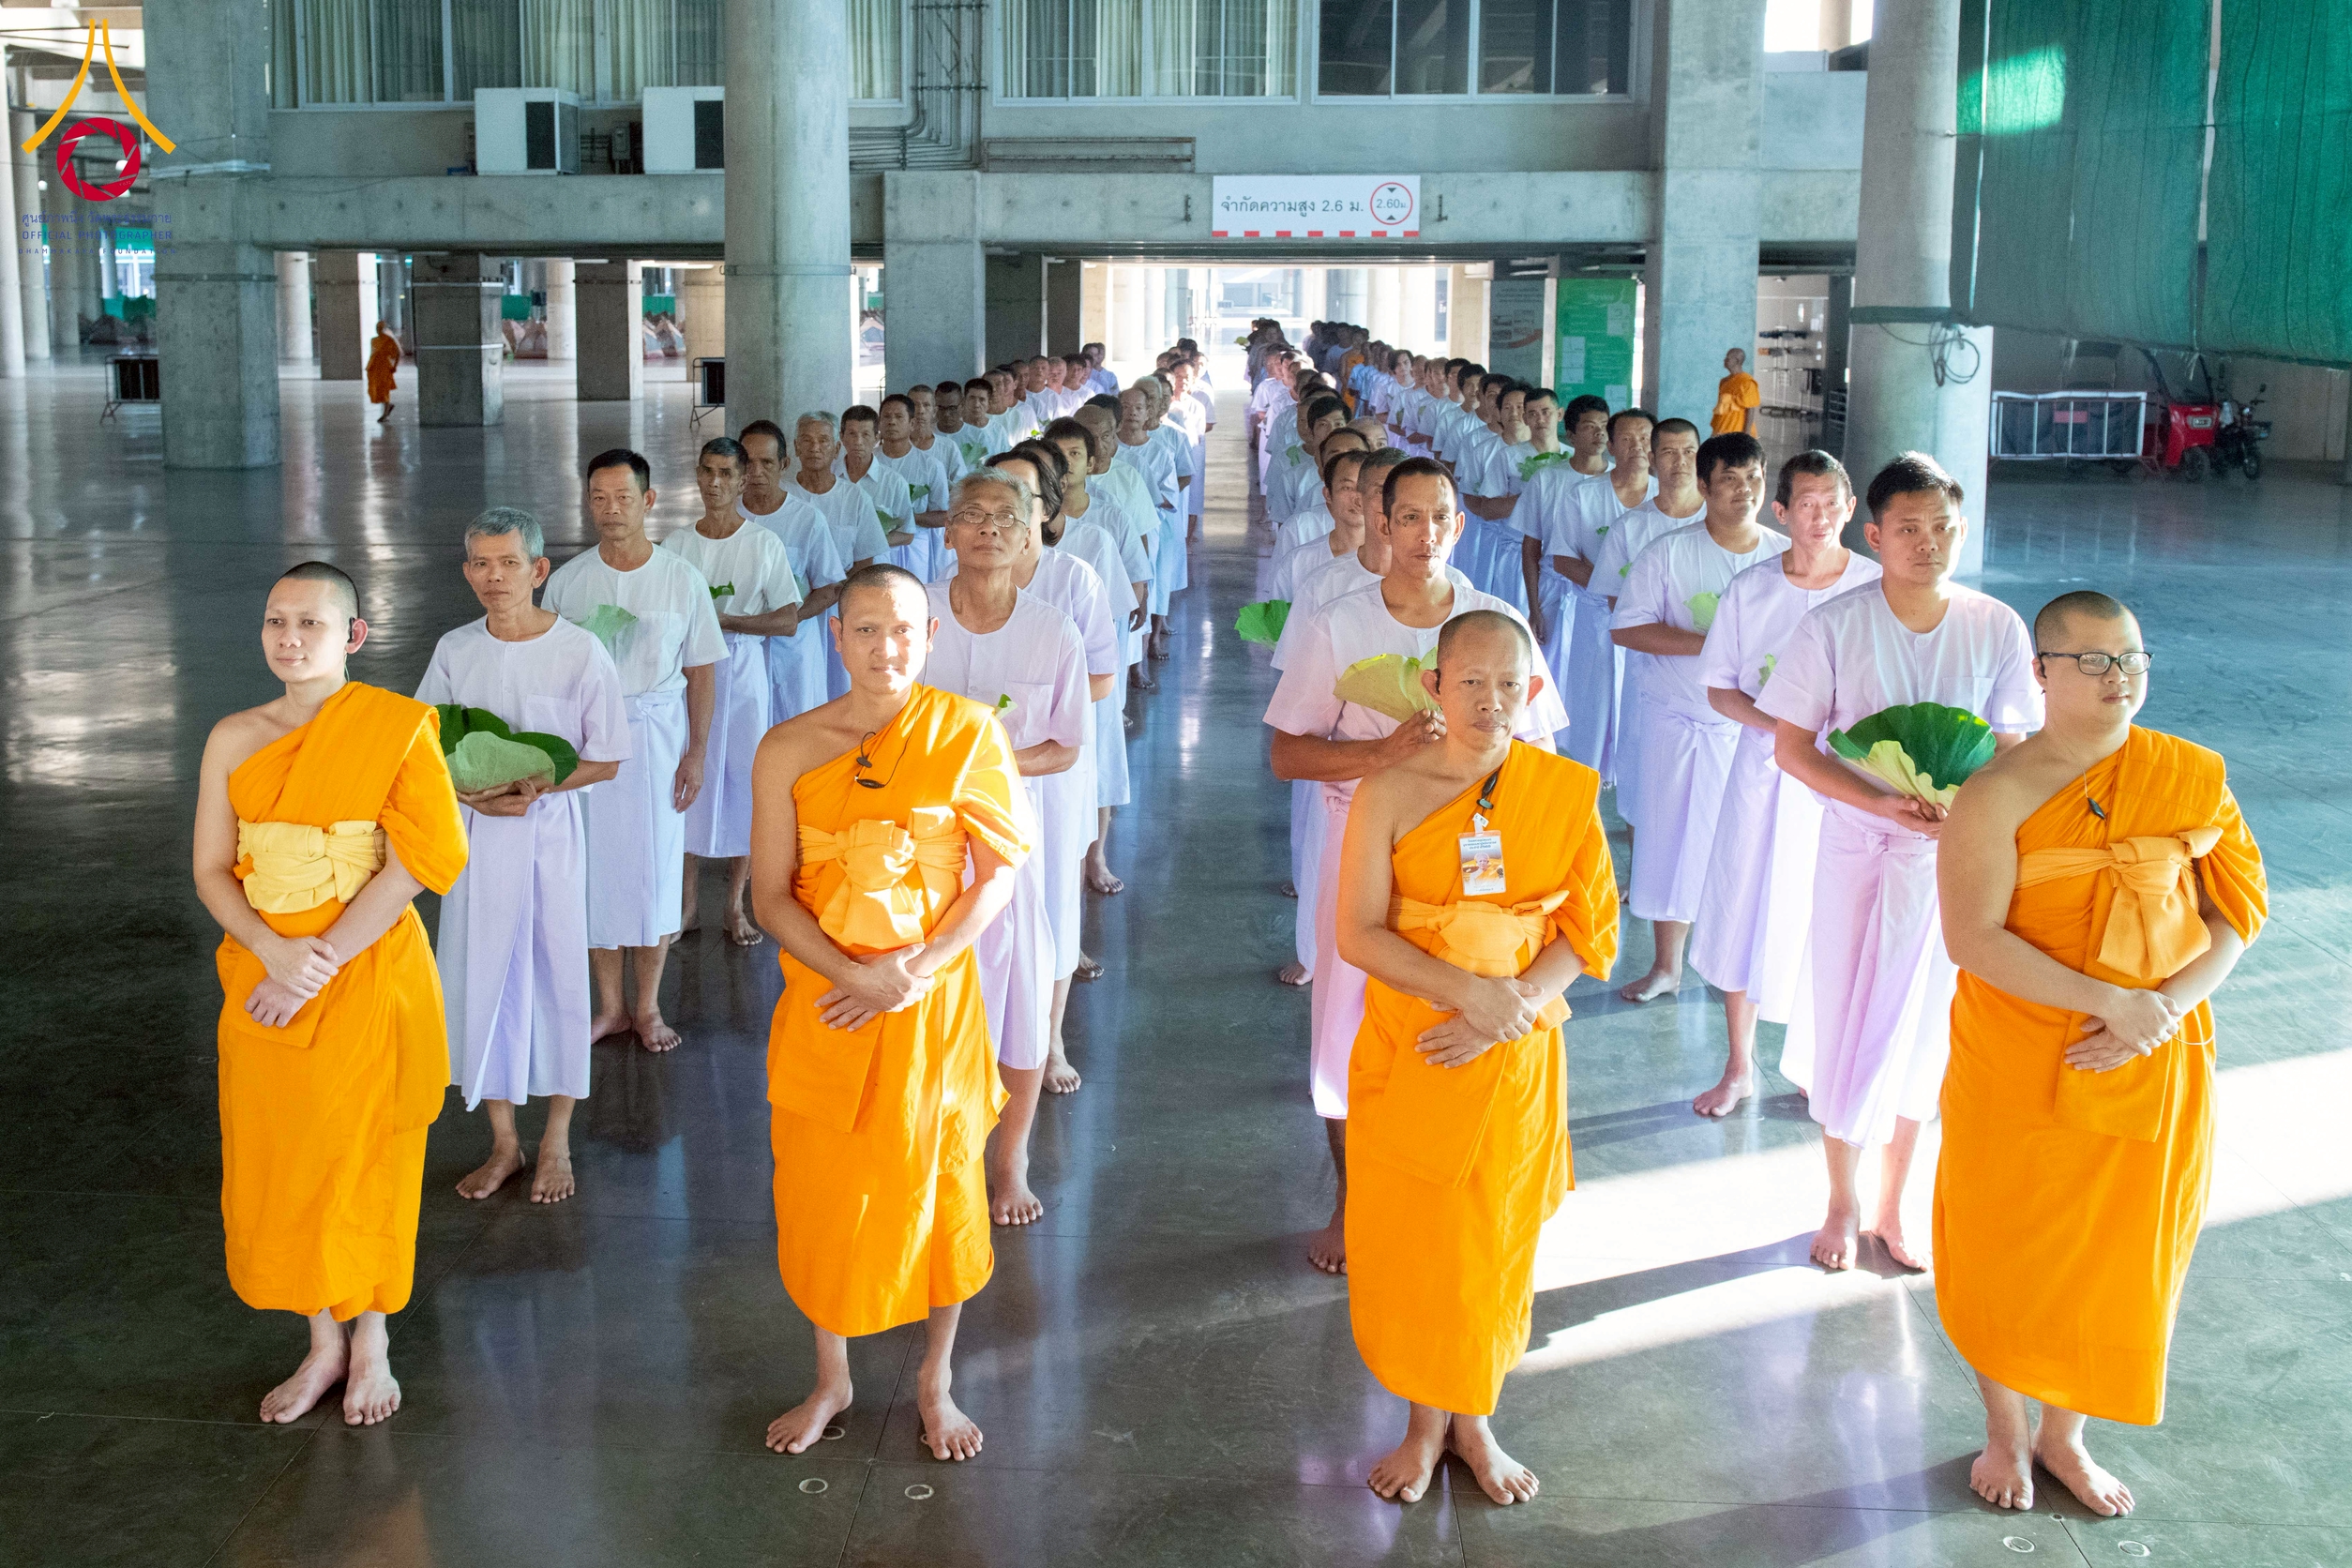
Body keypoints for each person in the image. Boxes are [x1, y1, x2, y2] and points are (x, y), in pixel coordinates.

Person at [1937, 591, 2267, 1515]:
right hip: (2025, 1047)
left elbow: (2234, 910)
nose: (2120, 677)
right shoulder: (1993, 792)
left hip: (2155, 1049)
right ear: (2040, 672)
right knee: (2010, 1238)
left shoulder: (2189, 774)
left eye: (2132, 658)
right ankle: (2006, 1433)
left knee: (2122, 1251)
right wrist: (2108, 1002)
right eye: (2095, 660)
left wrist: (2158, 1009)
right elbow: (1974, 937)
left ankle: (2066, 1438)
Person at [750, 564, 1032, 1464]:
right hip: (827, 1001)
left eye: (904, 629)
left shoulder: (967, 732)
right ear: (837, 638)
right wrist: (850, 973)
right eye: (866, 630)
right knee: (823, 1188)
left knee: (942, 1184)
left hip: (932, 1005)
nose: (886, 648)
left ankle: (934, 1379)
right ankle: (831, 1375)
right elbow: (769, 898)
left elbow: (997, 875)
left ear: (933, 635)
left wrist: (918, 967)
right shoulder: (788, 747)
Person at [1338, 611, 1619, 1507]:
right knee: (1422, 1238)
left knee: (1498, 1237)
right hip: (1419, 1041)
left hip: (1515, 1047)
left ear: (1532, 693)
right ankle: (1424, 1424)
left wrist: (1515, 1005)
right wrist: (1467, 996)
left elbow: (1589, 926)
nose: (1490, 702)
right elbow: (1356, 934)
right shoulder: (1390, 788)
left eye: (1508, 686)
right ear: (1433, 685)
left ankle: (1474, 1416)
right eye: (1469, 682)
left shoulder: (1563, 787)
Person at [1265, 458, 1567, 1275]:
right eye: (1409, 518)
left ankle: (1455, 1185)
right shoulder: (1338, 621)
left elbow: (1539, 748)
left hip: (1478, 859)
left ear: (1459, 526)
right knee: (1350, 1021)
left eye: (1441, 517)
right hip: (1364, 846)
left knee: (1468, 1014)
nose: (1425, 534)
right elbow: (1287, 754)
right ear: (1378, 521)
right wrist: (1386, 752)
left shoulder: (1497, 619)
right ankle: (1353, 1196)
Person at [192, 563, 468, 1426]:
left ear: (353, 636)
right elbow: (209, 869)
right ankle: (322, 1341)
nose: (290, 638)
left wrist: (319, 960)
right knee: (287, 1155)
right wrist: (274, 951)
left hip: (368, 970)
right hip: (264, 973)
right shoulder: (234, 736)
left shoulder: (395, 728)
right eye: (277, 621)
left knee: (368, 1153)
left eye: (312, 624)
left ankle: (374, 1339)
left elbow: (422, 860)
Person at [1758, 452, 2043, 1271]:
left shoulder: (1994, 625)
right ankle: (1841, 1201)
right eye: (1910, 529)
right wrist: (1878, 803)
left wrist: (1972, 807)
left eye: (1944, 528)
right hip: (1858, 847)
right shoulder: (1835, 625)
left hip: (1953, 862)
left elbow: (2015, 744)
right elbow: (1792, 748)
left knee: (1928, 1030)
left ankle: (1895, 1204)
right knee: (1846, 1015)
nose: (1928, 544)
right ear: (1874, 535)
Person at [418, 510, 627, 1204]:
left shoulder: (578, 651)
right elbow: (425, 748)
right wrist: (473, 797)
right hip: (476, 840)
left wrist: (535, 785)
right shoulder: (455, 648)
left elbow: (606, 757)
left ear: (539, 571)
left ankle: (557, 1140)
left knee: (557, 977)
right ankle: (504, 1143)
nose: (493, 577)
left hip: (549, 836)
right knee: (482, 979)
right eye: (479, 563)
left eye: (508, 563)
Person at [1685, 452, 1879, 1115]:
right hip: (1764, 773)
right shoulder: (1754, 588)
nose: (1819, 516)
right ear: (1782, 511)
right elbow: (1719, 687)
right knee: (1745, 905)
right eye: (1806, 504)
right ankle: (1739, 1065)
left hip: (1845, 778)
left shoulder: (1876, 587)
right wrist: (1778, 725)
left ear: (1851, 511)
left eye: (1832, 503)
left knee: (1830, 915)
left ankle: (1816, 1063)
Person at [920, 472, 1089, 1223]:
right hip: (916, 842)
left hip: (1005, 842)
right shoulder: (913, 614)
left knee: (1017, 998)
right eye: (971, 517)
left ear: (1030, 536)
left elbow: (1066, 743)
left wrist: (986, 763)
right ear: (948, 532)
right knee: (927, 993)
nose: (987, 530)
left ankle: (1010, 1160)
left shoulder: (1053, 628)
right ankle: (932, 1151)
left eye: (1004, 519)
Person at [542, 449, 724, 1053]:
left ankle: (647, 1007)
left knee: (651, 874)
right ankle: (611, 1006)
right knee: (596, 877)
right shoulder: (568, 582)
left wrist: (696, 752)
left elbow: (701, 671)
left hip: (656, 737)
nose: (610, 509)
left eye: (623, 497)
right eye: (599, 498)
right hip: (589, 743)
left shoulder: (680, 577)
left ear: (648, 501)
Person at [1607, 430, 1788, 1003]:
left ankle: (1733, 967)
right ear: (1705, 486)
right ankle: (1668, 965)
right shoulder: (1670, 552)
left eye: (1753, 478)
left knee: (1744, 846)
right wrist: (1712, 643)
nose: (1743, 490)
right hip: (1679, 724)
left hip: (1754, 730)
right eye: (1729, 480)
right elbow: (1627, 626)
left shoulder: (1783, 558)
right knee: (1670, 843)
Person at [661, 437, 805, 945]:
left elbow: (788, 618)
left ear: (744, 480)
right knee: (687, 777)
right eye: (707, 471)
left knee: (746, 783)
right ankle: (685, 902)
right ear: (697, 476)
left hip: (743, 674)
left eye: (726, 473)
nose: (715, 482)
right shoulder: (677, 545)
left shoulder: (763, 544)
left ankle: (735, 904)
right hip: (687, 675)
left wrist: (725, 620)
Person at [1545, 408, 1656, 782]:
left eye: (1645, 438)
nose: (1637, 446)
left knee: (1641, 720)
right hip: (1595, 618)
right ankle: (1586, 795)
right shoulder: (1584, 494)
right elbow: (1562, 557)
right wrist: (1614, 587)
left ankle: (1631, 792)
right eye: (1627, 438)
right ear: (1610, 445)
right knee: (1592, 712)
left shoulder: (1667, 500)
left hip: (1651, 625)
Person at [739, 419, 848, 721]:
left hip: (795, 647)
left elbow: (829, 588)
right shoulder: (729, 515)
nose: (756, 471)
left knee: (797, 725)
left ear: (784, 464)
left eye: (766, 462)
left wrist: (787, 619)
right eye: (748, 462)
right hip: (742, 649)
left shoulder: (806, 519)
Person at [788, 413, 894, 699]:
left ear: (836, 449)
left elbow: (864, 563)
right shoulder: (784, 495)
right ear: (796, 448)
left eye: (823, 440)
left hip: (840, 606)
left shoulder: (855, 498)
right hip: (793, 608)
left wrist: (835, 595)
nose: (815, 448)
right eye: (807, 441)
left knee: (838, 684)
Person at [839, 402, 929, 578]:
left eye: (865, 435)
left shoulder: (894, 482)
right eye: (851, 434)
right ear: (841, 437)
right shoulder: (831, 478)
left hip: (879, 570)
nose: (858, 442)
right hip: (836, 571)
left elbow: (907, 533)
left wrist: (868, 544)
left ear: (876, 437)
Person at [1712, 347, 1761, 436]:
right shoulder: (1724, 381)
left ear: (1736, 361)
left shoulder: (1747, 382)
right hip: (1722, 426)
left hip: (1737, 428)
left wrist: (1746, 433)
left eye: (1728, 358)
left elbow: (1750, 409)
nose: (1725, 360)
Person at [365, 322, 400, 422]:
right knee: (375, 389)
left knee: (384, 389)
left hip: (385, 368)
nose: (378, 330)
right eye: (377, 328)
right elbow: (373, 354)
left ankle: (385, 414)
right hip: (374, 368)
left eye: (380, 328)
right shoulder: (374, 340)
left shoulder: (390, 341)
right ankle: (388, 406)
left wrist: (394, 366)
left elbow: (397, 353)